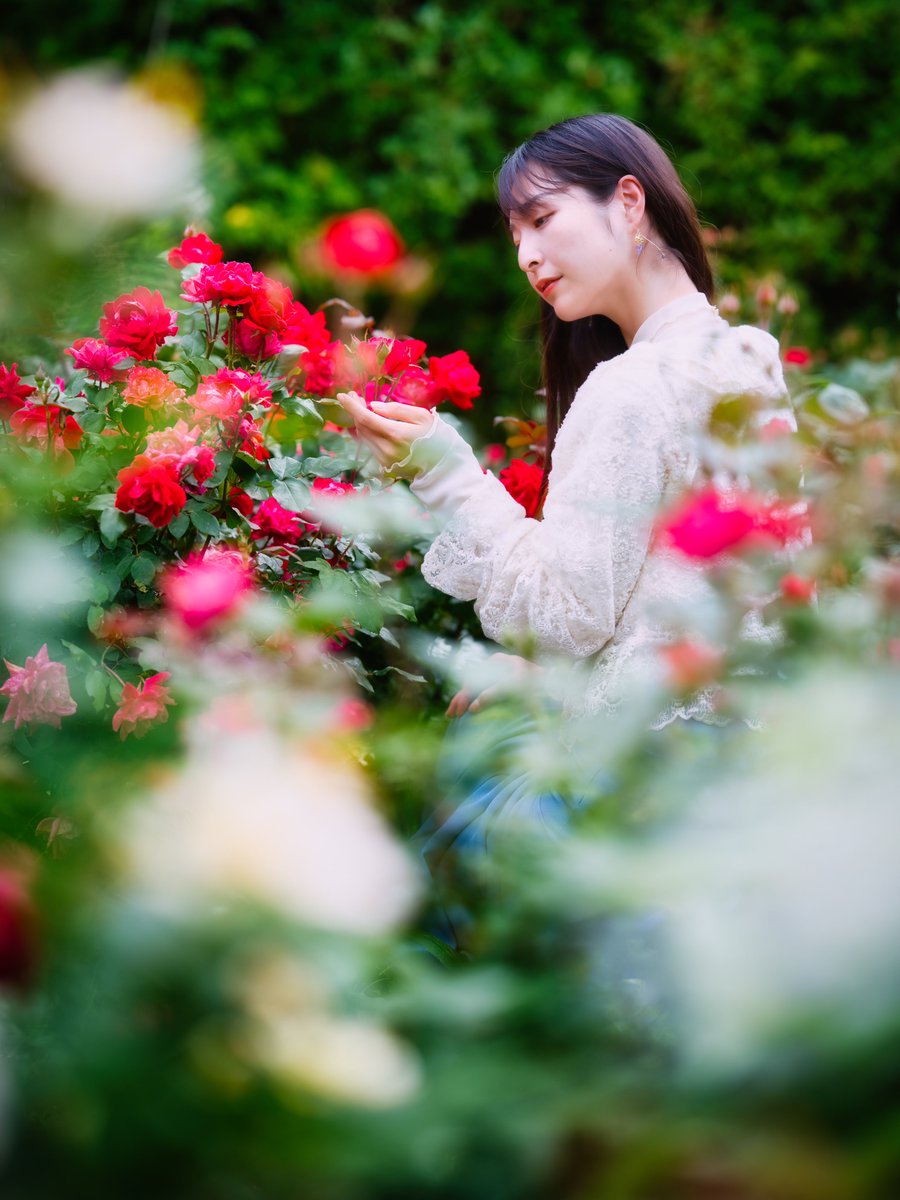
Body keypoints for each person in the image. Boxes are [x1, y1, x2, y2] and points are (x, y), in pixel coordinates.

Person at [335, 113, 789, 733]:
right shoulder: (750, 358)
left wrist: (443, 471)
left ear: (629, 201)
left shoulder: (634, 385)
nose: (527, 255)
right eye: (516, 236)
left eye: (542, 220)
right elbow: (685, 594)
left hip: (653, 765)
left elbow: (566, 614)